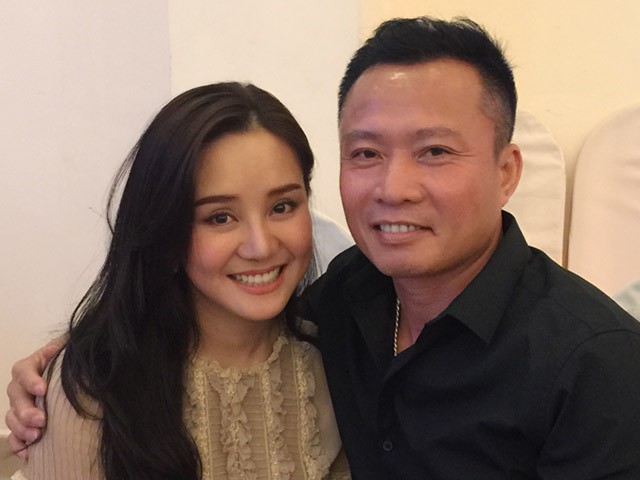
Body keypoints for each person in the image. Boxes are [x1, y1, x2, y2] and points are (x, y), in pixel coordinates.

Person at [7, 16, 640, 479]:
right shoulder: (349, 297)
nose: (393, 188)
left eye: (434, 151)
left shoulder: (597, 367)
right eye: (366, 153)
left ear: (506, 171)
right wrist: (75, 359)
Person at [6, 82, 350, 479]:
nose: (260, 246)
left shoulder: (336, 361)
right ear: (165, 230)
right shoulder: (95, 389)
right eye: (220, 217)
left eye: (282, 206)